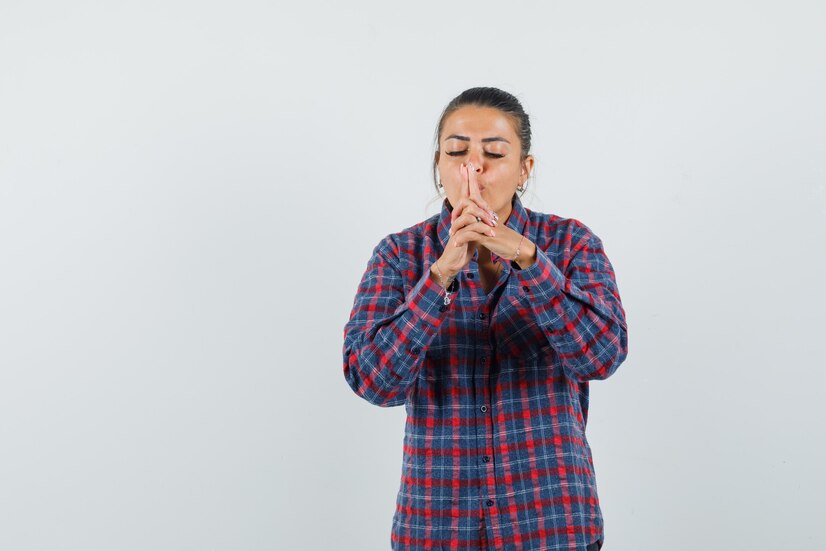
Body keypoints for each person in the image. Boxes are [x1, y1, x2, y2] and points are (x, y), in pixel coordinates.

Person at [342, 87, 628, 551]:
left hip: (551, 525)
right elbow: (372, 381)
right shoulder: (399, 254)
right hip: (437, 528)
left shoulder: (572, 243)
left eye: (493, 153)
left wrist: (528, 258)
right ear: (439, 166)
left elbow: (602, 357)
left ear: (524, 170)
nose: (473, 167)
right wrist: (441, 275)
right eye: (457, 152)